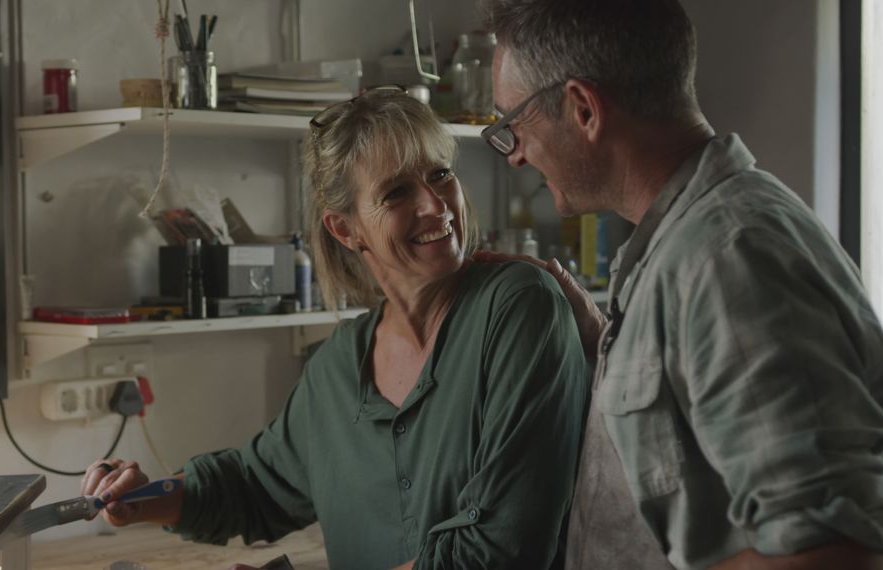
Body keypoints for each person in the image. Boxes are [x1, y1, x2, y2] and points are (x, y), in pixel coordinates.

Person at [81, 88, 589, 569]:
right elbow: (254, 484)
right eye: (396, 193)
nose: (435, 205)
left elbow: (503, 549)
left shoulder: (517, 307)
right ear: (345, 229)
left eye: (440, 175)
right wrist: (139, 498)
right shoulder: (336, 369)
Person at [476, 0, 883, 568]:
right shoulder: (677, 244)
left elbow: (829, 553)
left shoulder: (729, 259)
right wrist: (601, 346)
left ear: (584, 109)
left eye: (512, 123)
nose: (514, 155)